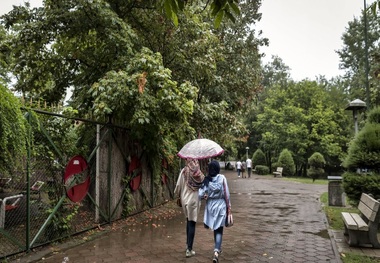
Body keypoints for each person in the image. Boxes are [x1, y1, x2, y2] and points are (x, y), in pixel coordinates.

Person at [199, 160, 231, 263]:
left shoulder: (206, 180)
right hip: (221, 205)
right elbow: (227, 194)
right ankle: (217, 250)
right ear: (218, 169)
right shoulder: (222, 178)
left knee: (215, 227)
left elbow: (200, 194)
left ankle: (217, 247)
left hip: (211, 207)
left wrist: (205, 196)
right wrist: (228, 206)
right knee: (219, 229)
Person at [174, 159, 205, 258]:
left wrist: (177, 194)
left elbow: (178, 186)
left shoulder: (184, 171)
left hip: (184, 199)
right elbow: (203, 183)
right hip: (194, 201)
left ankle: (188, 245)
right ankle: (189, 249)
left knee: (188, 221)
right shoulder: (198, 172)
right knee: (192, 223)